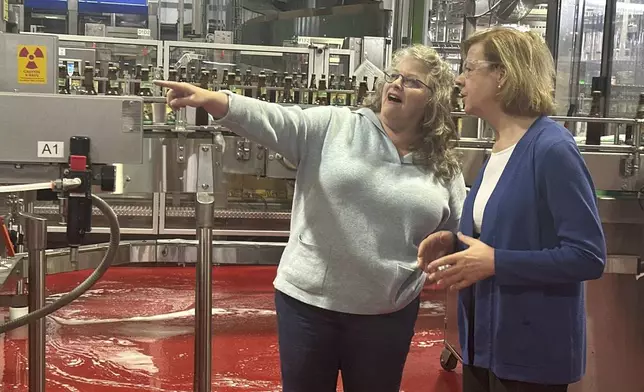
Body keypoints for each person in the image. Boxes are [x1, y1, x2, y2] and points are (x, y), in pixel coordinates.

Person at [156, 45, 466, 392]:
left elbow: (454, 232)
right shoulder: (335, 127)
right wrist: (216, 101)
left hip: (387, 312)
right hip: (310, 307)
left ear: (433, 101)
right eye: (394, 76)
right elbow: (276, 119)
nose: (396, 84)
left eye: (412, 82)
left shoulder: (443, 166)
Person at [417, 27, 607, 392]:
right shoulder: (500, 147)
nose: (460, 79)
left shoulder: (552, 150)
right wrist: (453, 243)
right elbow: (504, 234)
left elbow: (587, 256)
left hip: (530, 356)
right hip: (483, 347)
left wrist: (496, 263)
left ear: (501, 76)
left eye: (470, 68)